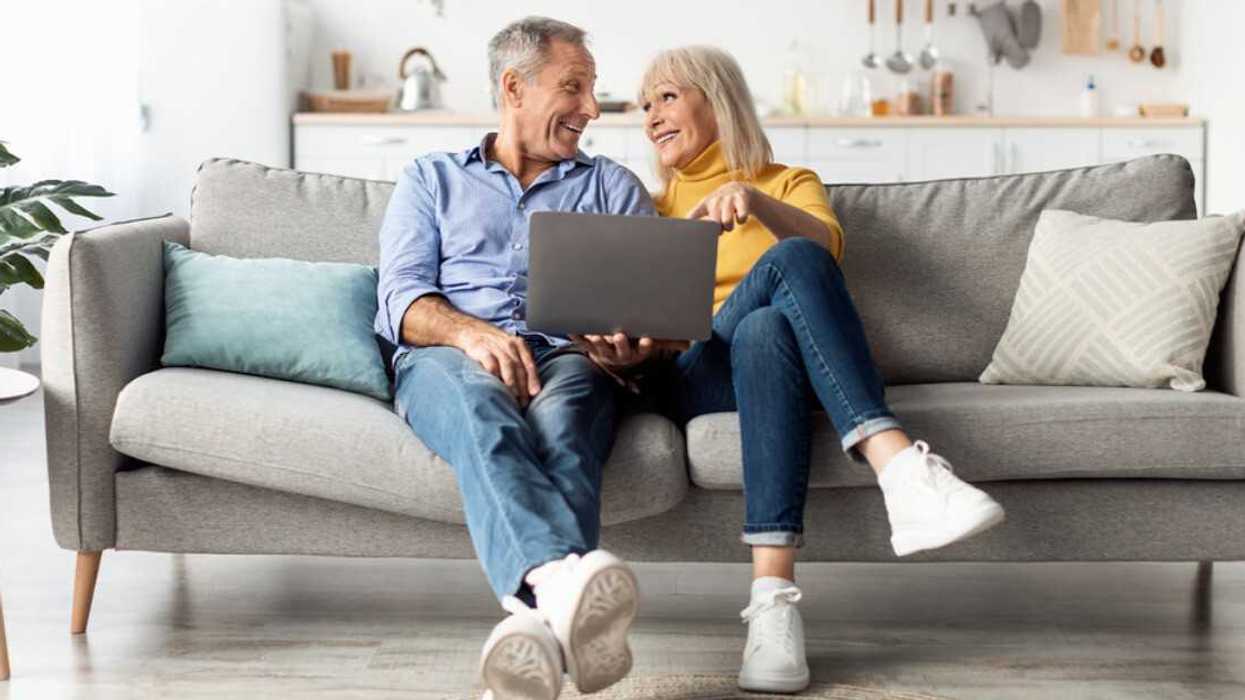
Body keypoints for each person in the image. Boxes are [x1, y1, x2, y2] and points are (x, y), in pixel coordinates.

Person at [574, 46, 1006, 694]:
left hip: (768, 365)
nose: (651, 116)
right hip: (692, 374)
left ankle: (773, 608)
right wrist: (627, 348)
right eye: (644, 105)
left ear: (717, 99)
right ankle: (898, 466)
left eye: (667, 96)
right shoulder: (649, 204)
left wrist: (754, 200)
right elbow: (642, 318)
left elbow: (824, 250)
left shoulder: (788, 182)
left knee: (770, 318)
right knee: (776, 281)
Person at [375, 17, 654, 699]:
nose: (592, 109)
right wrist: (470, 334)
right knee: (481, 408)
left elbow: (652, 318)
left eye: (592, 89)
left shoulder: (611, 188)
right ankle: (556, 585)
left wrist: (630, 348)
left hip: (567, 355)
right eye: (574, 87)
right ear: (514, 88)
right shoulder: (430, 179)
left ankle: (535, 626)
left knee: (565, 422)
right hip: (447, 356)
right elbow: (401, 299)